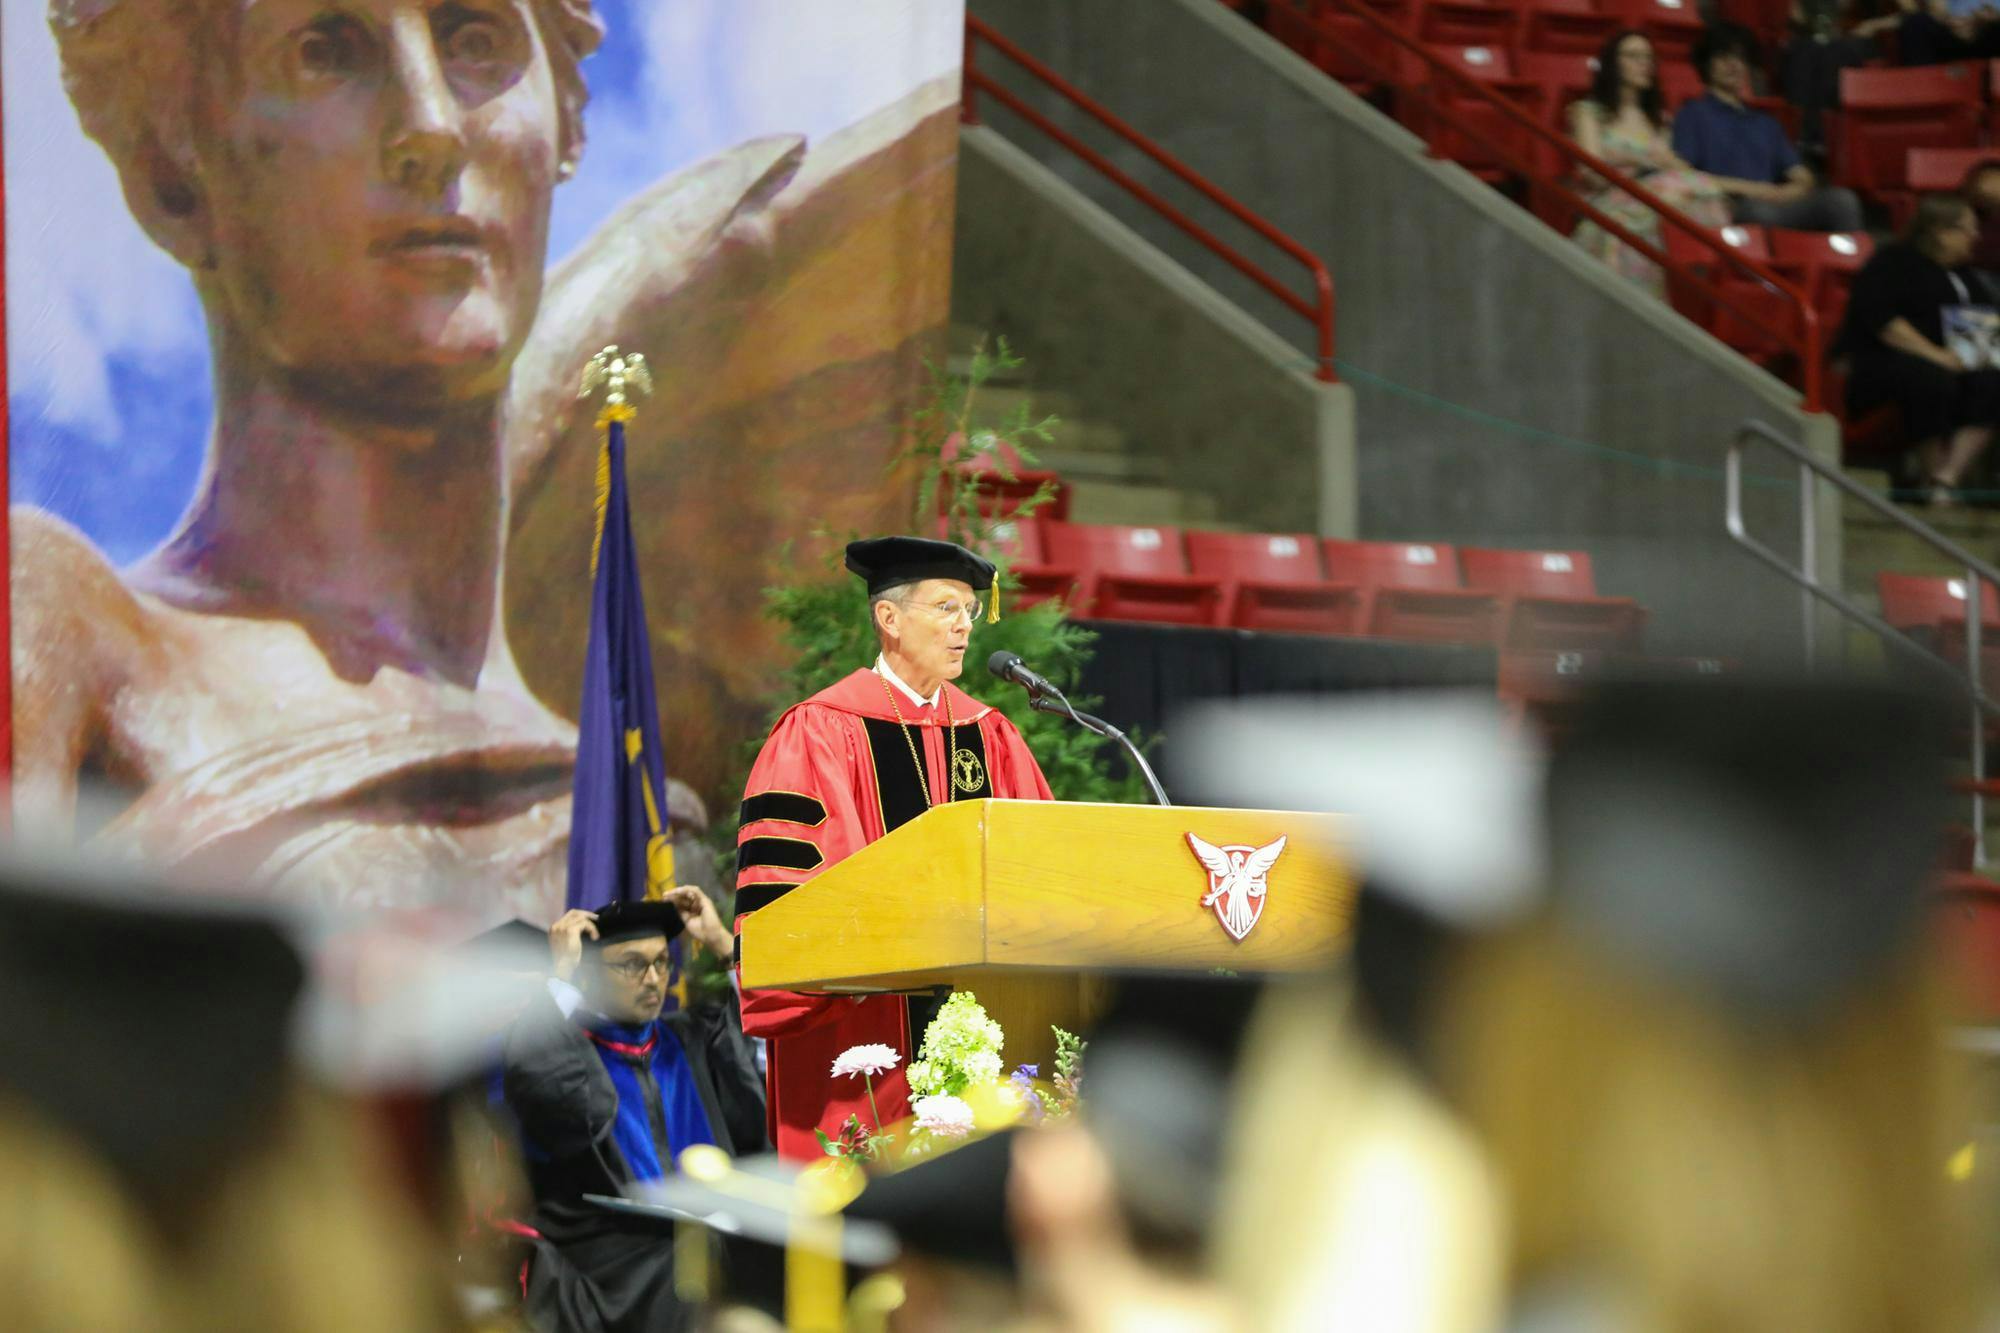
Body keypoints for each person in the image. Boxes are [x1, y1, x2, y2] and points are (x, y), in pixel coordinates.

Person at [733, 537, 1053, 1160]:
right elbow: (799, 892)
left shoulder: (991, 736)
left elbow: (1039, 868)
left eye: (968, 609)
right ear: (889, 619)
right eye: (944, 607)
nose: (964, 624)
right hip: (861, 1034)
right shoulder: (819, 730)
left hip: (985, 1026)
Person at [501, 894, 766, 1333]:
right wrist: (560, 978)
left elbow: (756, 1045)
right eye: (631, 965)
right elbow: (547, 1088)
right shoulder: (565, 1048)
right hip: (613, 1257)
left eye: (663, 962)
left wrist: (723, 947)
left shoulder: (688, 1039)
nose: (653, 979)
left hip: (703, 1237)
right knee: (688, 1263)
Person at [1836, 192, 2000, 504]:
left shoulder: (1966, 276)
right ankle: (1930, 474)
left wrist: (1982, 358)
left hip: (1953, 362)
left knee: (1992, 382)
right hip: (1884, 361)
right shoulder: (1892, 261)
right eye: (1967, 228)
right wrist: (1937, 355)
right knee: (1928, 378)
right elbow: (1885, 323)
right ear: (1940, 231)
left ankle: (1946, 478)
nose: (1975, 236)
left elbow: (1983, 328)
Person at [1569, 30, 1733, 297]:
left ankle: (1703, 276)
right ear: (1613, 63)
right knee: (1665, 200)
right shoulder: (1589, 112)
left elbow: (1674, 168)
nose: (1644, 63)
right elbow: (1592, 173)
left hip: (1655, 197)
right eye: (1633, 56)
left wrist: (1666, 164)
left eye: (1648, 57)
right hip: (1608, 198)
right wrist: (1638, 160)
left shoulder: (1659, 120)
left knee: (1703, 189)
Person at [1673, 25, 1864, 232]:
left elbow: (1801, 176)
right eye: (1723, 57)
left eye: (1740, 58)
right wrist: (1754, 190)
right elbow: (1684, 175)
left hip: (1778, 205)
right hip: (1731, 205)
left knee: (1842, 201)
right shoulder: (1692, 114)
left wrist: (1787, 192)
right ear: (1707, 64)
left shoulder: (1765, 122)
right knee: (1757, 211)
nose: (1733, 65)